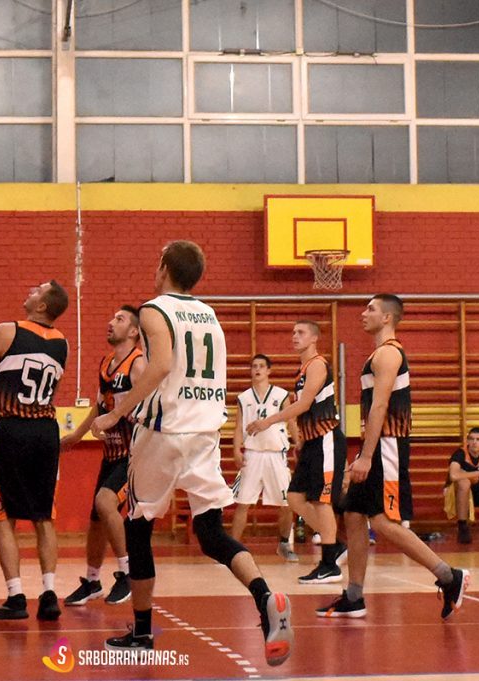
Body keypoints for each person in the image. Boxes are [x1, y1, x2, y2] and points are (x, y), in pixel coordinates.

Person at [90, 241, 293, 667]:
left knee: (138, 526)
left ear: (163, 267)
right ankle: (263, 597)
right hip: (205, 432)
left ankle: (142, 632)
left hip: (164, 432)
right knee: (211, 533)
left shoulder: (153, 309)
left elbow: (162, 365)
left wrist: (116, 414)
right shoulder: (209, 314)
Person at [317, 295, 470, 621]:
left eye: (371, 309)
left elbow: (380, 406)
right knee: (353, 514)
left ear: (387, 317)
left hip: (387, 447)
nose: (363, 313)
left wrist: (367, 456)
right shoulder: (379, 354)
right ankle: (354, 596)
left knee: (383, 521)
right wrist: (363, 453)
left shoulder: (388, 353)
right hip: (377, 445)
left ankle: (449, 576)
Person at [0, 280, 70, 621]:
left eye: (37, 290)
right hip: (46, 431)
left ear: (43, 305)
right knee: (44, 516)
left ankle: (16, 596)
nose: (30, 290)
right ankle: (49, 593)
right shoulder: (63, 342)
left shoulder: (6, 331)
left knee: (4, 514)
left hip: (12, 428)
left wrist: (0, 404)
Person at [247, 320, 348, 584]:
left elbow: (303, 405)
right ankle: (335, 545)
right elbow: (307, 410)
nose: (294, 336)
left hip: (326, 438)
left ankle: (330, 564)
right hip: (312, 441)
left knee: (321, 501)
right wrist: (301, 438)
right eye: (293, 332)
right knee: (294, 497)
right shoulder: (302, 369)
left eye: (300, 332)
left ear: (314, 338)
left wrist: (268, 421)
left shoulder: (317, 364)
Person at [62, 306, 146, 607]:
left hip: (135, 454)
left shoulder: (138, 364)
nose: (111, 322)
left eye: (119, 319)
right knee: (96, 520)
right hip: (111, 452)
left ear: (134, 331)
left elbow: (151, 405)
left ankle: (127, 573)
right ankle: (93, 580)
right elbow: (100, 406)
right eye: (112, 317)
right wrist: (76, 435)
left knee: (105, 502)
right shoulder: (107, 363)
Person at [230, 354, 298, 563]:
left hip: (276, 455)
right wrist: (236, 449)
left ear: (269, 370)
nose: (257, 369)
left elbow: (292, 422)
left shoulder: (281, 395)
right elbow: (238, 427)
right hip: (252, 455)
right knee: (243, 503)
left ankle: (284, 544)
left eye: (261, 366)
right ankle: (231, 550)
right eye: (254, 366)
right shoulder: (244, 398)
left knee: (286, 503)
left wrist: (299, 443)